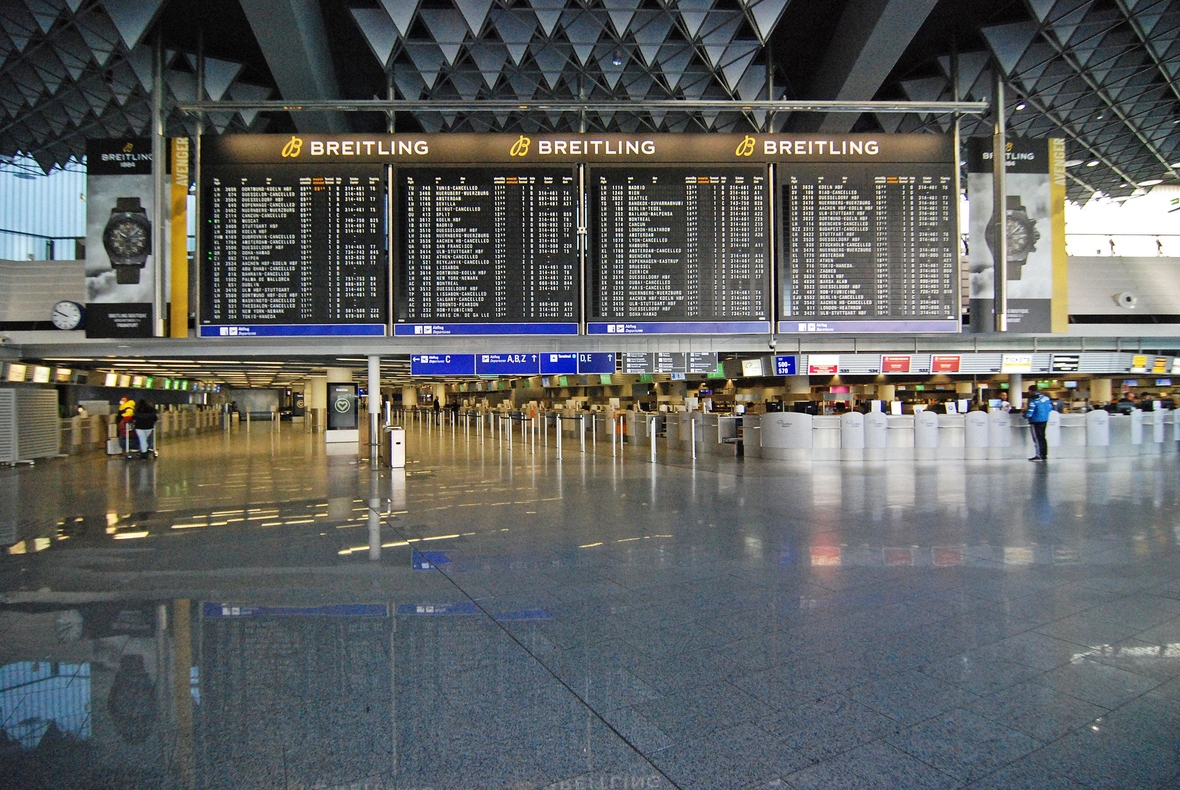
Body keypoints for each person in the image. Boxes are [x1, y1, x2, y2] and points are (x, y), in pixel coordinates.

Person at [1024, 384, 1052, 461]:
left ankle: (1039, 455)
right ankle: (1044, 454)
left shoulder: (1033, 399)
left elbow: (1030, 412)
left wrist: (1025, 416)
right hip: (1044, 420)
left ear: (1031, 391)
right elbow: (1050, 408)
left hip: (1035, 420)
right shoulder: (1046, 398)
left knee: (1037, 438)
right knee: (1042, 437)